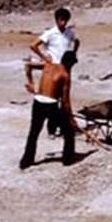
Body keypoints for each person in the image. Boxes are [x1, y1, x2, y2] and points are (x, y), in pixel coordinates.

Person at [19, 50, 80, 170]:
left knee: (34, 133)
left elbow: (28, 65)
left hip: (37, 102)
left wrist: (31, 82)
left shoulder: (48, 65)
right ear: (70, 63)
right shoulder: (65, 75)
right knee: (69, 131)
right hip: (50, 105)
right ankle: (68, 159)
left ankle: (26, 161)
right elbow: (65, 101)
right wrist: (71, 119)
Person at [30, 8, 80, 136]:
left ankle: (62, 126)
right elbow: (33, 45)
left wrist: (73, 53)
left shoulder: (69, 33)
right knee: (51, 98)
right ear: (56, 20)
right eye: (61, 20)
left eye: (65, 20)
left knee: (63, 98)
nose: (63, 23)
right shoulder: (50, 33)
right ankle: (52, 129)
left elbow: (77, 41)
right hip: (52, 68)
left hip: (65, 67)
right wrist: (44, 57)